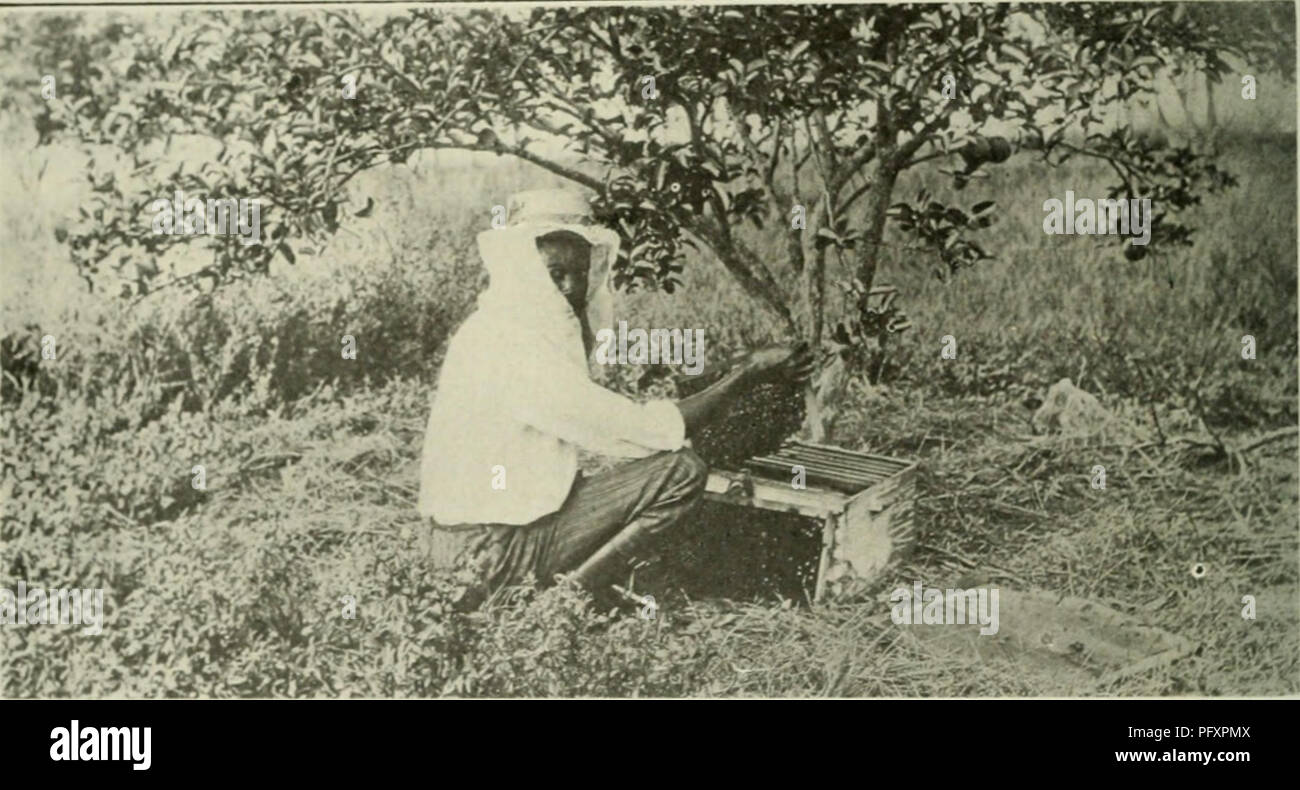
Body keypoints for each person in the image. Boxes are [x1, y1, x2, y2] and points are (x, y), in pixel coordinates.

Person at [417, 188, 813, 608]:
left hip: (466, 545)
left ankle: (583, 589)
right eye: (554, 274)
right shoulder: (512, 345)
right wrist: (746, 374)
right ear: (521, 270)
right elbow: (641, 432)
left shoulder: (493, 326)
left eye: (578, 273)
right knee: (679, 471)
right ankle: (555, 607)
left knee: (602, 484)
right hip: (486, 555)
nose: (569, 290)